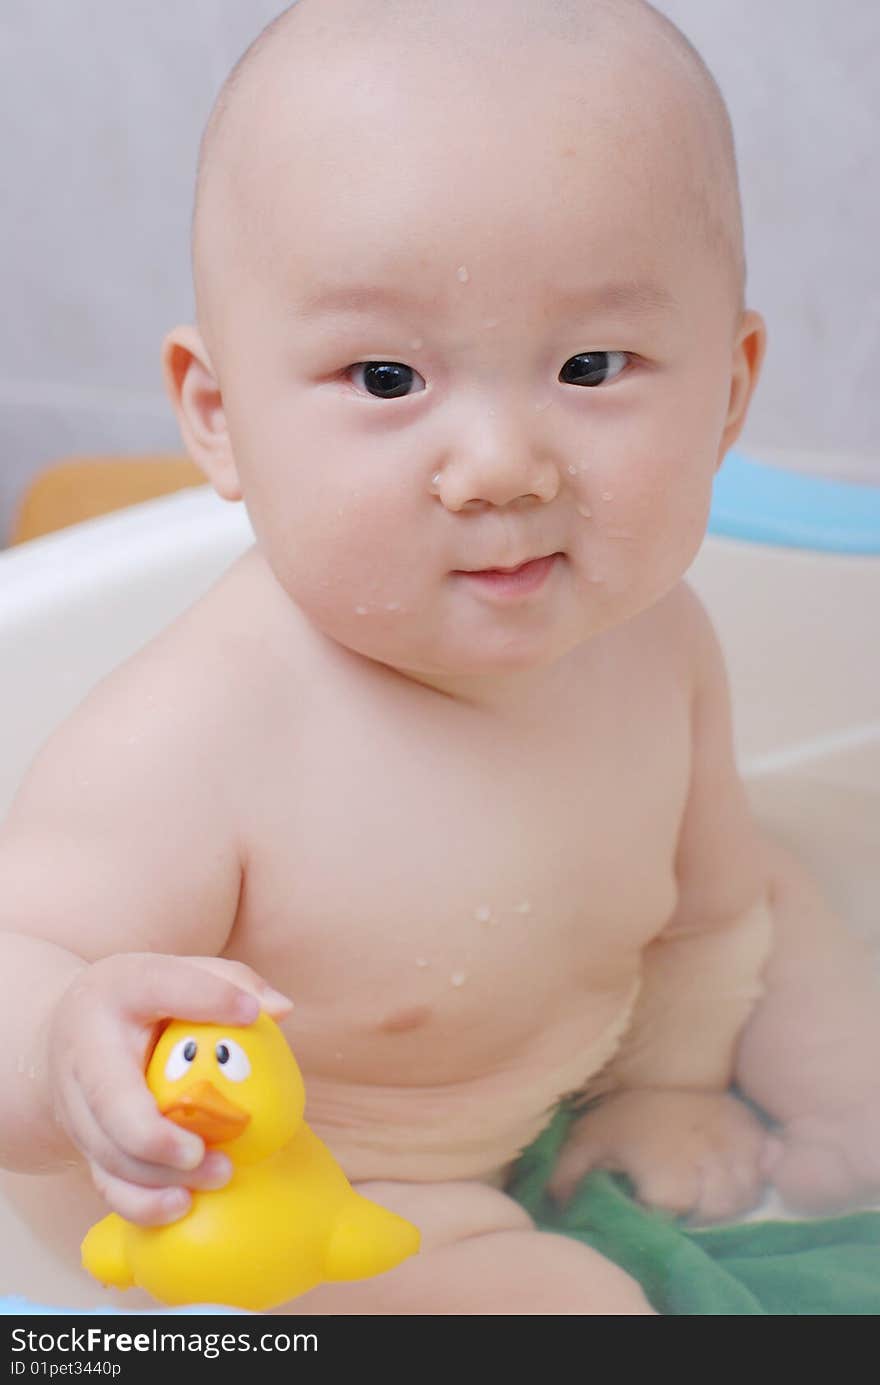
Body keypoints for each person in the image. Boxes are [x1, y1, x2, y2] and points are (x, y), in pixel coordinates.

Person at [1, 0, 878, 1315]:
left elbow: (705, 907)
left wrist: (675, 1082)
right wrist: (74, 1045)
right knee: (582, 1312)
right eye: (386, 378)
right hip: (314, 1200)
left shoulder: (659, 633)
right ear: (220, 416)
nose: (499, 467)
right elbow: (22, 950)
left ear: (731, 391)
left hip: (572, 1051)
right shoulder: (201, 733)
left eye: (592, 364)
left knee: (792, 896)